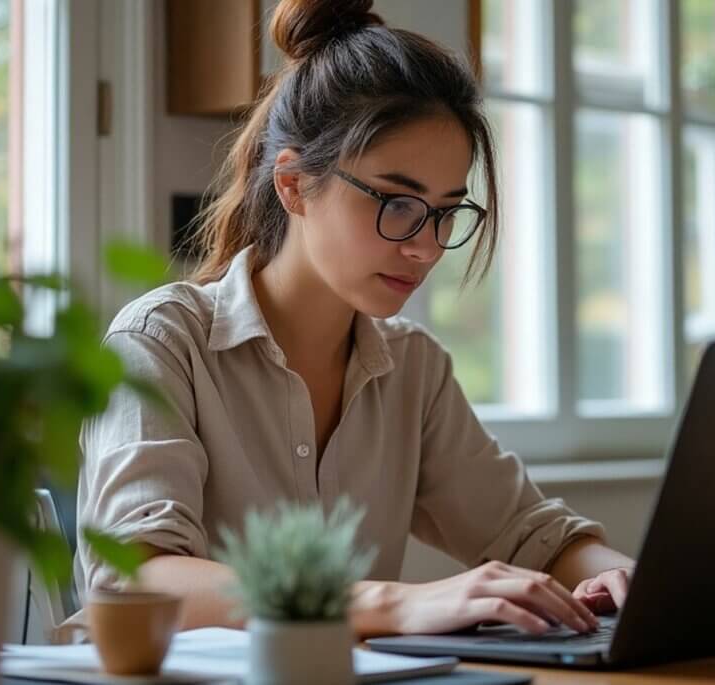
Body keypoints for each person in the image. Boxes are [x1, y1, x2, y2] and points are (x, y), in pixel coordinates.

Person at [77, 0, 636, 638]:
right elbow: (137, 578)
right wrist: (396, 603)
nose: (425, 246)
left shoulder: (413, 369)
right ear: (292, 185)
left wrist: (620, 576)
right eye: (397, 203)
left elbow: (534, 536)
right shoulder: (160, 343)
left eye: (446, 210)